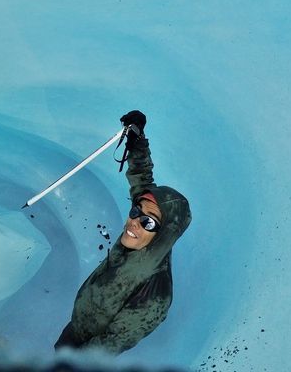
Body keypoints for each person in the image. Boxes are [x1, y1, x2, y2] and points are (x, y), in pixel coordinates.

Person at [54, 110, 191, 354]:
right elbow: (143, 182)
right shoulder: (144, 238)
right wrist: (137, 138)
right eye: (136, 212)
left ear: (165, 234)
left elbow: (106, 348)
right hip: (77, 328)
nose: (134, 223)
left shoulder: (155, 295)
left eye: (148, 222)